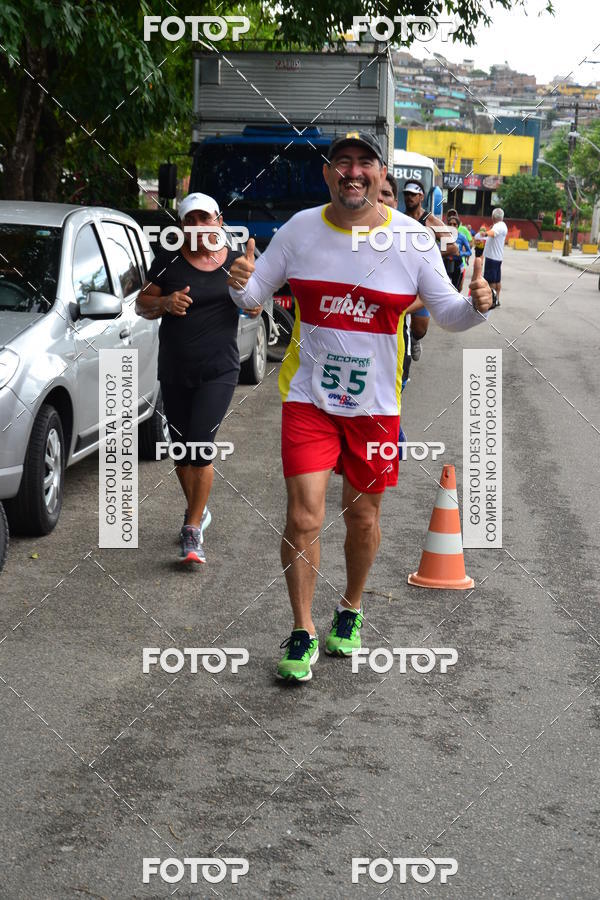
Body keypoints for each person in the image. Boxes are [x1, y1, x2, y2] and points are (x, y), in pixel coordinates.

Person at [227, 132, 492, 683]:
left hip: (375, 408)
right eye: (342, 162)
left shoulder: (412, 239)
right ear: (328, 174)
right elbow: (253, 299)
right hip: (309, 400)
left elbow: (448, 315)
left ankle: (349, 609)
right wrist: (237, 283)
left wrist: (481, 304)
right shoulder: (300, 230)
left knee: (363, 517)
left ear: (379, 175)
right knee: (303, 517)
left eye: (364, 163)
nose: (353, 172)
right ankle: (301, 630)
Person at [136, 192, 261, 565]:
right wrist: (165, 303)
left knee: (199, 446)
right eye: (192, 220)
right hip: (175, 367)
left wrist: (247, 284)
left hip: (219, 369)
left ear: (219, 221)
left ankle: (192, 529)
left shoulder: (237, 260)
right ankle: (199, 510)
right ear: (182, 226)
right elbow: (142, 304)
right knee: (180, 451)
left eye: (206, 218)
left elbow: (254, 305)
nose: (200, 226)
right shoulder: (169, 261)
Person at [483, 207, 508, 307]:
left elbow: (493, 233)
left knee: (491, 281)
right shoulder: (502, 225)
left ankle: (493, 300)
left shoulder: (498, 226)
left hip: (492, 257)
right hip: (497, 257)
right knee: (497, 280)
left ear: (493, 216)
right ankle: (497, 299)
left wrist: (484, 233)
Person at [447, 213, 472, 293]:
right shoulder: (443, 235)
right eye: (450, 224)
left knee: (455, 289)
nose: (452, 226)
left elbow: (469, 252)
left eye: (455, 224)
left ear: (458, 226)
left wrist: (460, 253)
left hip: (458, 264)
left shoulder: (462, 237)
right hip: (446, 263)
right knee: (446, 288)